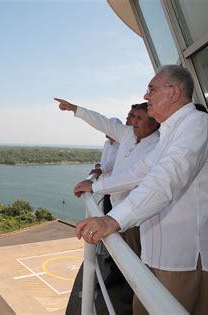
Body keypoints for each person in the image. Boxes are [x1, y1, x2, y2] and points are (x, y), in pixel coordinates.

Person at [73, 65, 208, 315]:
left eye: (151, 88)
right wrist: (95, 186)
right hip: (159, 255)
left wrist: (113, 220)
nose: (146, 96)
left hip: (188, 257)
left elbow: (166, 178)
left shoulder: (197, 124)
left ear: (173, 92)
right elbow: (140, 171)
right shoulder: (171, 132)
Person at [55, 99, 160, 287]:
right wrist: (75, 109)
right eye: (132, 116)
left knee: (138, 256)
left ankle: (139, 293)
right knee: (126, 253)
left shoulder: (157, 145)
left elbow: (133, 176)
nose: (132, 121)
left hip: (137, 213)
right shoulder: (128, 133)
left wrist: (94, 186)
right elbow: (102, 122)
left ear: (153, 122)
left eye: (139, 118)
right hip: (118, 208)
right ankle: (132, 290)